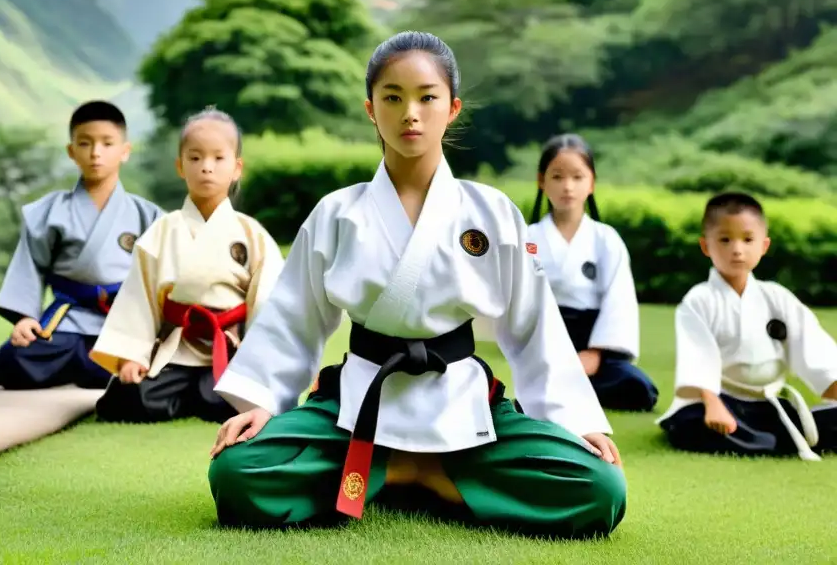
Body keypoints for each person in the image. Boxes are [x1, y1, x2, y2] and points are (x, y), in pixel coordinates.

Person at [205, 31, 626, 538]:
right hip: (360, 398)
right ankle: (412, 470)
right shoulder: (338, 213)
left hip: (462, 399)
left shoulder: (491, 211)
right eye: (393, 97)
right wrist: (261, 404)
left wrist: (578, 419)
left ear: (452, 108)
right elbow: (293, 319)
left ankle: (414, 473)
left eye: (427, 97)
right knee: (235, 473)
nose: (411, 113)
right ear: (370, 109)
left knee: (601, 486)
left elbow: (534, 327)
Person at [89, 108, 284, 425]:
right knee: (127, 399)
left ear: (236, 168)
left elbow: (268, 301)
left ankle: (199, 396)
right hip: (176, 349)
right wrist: (132, 355)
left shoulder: (253, 235)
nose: (206, 168)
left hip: (230, 349)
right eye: (195, 158)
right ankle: (193, 396)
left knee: (249, 401)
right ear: (181, 166)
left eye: (218, 159)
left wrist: (258, 359)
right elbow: (140, 297)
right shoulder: (163, 231)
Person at [0, 101, 163, 390]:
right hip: (68, 322)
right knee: (11, 360)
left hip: (123, 325)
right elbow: (29, 266)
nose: (96, 153)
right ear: (72, 151)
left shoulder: (148, 215)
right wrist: (24, 319)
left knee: (162, 362)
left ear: (125, 151)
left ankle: (98, 368)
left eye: (107, 144)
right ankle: (97, 370)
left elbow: (161, 281)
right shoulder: (48, 211)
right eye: (85, 143)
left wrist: (155, 332)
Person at [656, 192, 837, 459]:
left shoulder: (777, 297)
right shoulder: (698, 301)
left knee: (819, 420)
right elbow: (698, 358)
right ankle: (776, 441)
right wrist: (713, 404)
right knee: (689, 424)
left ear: (764, 246)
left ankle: (769, 439)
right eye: (725, 240)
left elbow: (813, 349)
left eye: (747, 239)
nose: (737, 249)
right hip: (719, 402)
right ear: (706, 246)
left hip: (768, 405)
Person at [525, 134, 658, 412]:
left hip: (597, 344)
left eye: (577, 177)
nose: (567, 186)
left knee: (638, 388)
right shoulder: (529, 238)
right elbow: (522, 302)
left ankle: (567, 389)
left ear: (592, 183)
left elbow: (618, 300)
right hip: (549, 340)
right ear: (542, 181)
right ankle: (560, 386)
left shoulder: (606, 239)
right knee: (543, 381)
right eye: (557, 176)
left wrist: (595, 353)